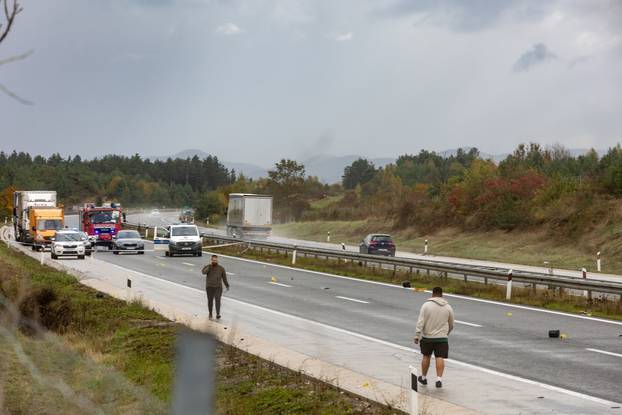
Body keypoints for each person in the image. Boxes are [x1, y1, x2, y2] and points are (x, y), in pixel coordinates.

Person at [414, 287, 454, 388]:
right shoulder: (448, 307)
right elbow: (451, 324)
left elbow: (421, 321)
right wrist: (446, 333)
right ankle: (439, 379)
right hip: (442, 338)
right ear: (442, 295)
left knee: (426, 356)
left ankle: (423, 378)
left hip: (428, 337)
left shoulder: (426, 305)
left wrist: (417, 334)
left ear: (432, 294)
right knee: (440, 357)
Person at [202, 254, 230, 319]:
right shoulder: (207, 267)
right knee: (210, 301)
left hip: (218, 287)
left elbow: (224, 278)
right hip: (209, 287)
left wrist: (227, 285)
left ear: (217, 260)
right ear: (211, 260)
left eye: (215, 260)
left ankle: (218, 314)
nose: (214, 261)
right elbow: (203, 272)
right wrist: (209, 266)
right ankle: (210, 314)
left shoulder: (221, 268)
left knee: (218, 300)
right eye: (213, 260)